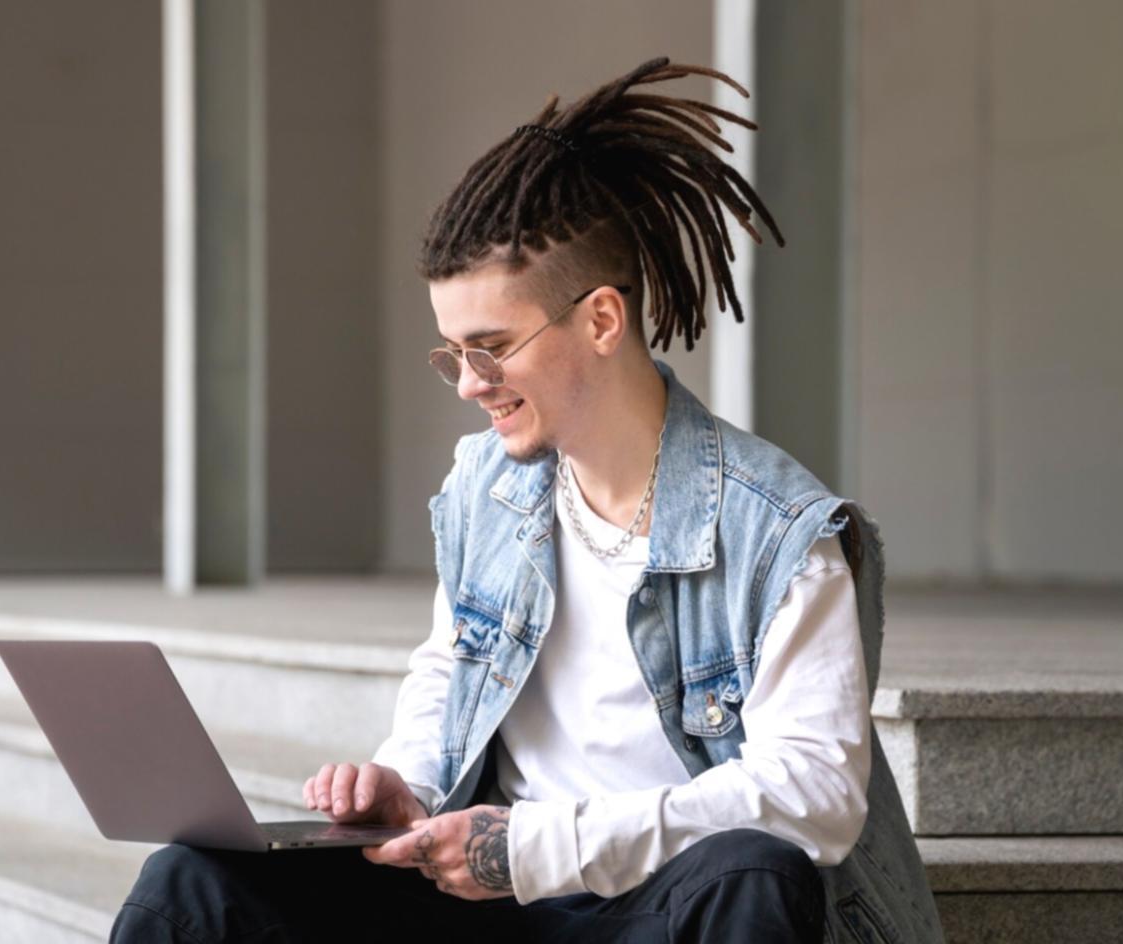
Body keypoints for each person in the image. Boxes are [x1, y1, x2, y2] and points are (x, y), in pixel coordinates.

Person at [110, 56, 944, 943]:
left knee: (754, 874)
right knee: (190, 883)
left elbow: (813, 796)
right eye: (452, 352)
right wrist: (409, 788)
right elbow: (448, 668)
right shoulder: (486, 487)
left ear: (600, 321)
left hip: (654, 906)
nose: (469, 384)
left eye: (491, 346)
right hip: (493, 902)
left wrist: (539, 846)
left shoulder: (778, 533)